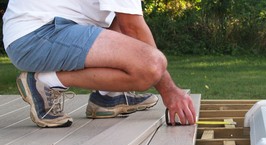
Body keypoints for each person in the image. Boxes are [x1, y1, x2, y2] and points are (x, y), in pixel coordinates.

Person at [2, 0, 196, 127]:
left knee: (120, 17)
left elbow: (126, 21)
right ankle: (44, 81)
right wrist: (169, 91)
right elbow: (133, 29)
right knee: (151, 66)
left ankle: (108, 97)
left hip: (44, 29)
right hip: (36, 36)